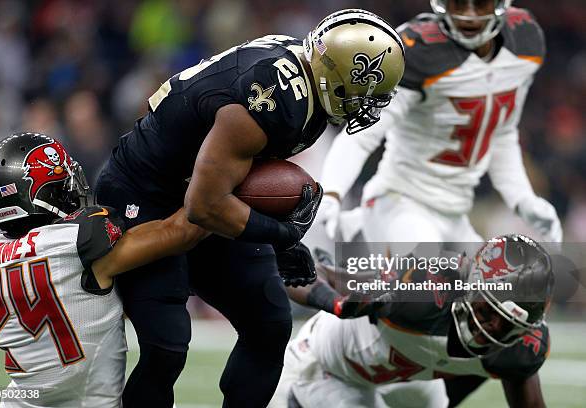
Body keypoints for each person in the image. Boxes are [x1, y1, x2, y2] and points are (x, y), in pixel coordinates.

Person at [95, 9, 406, 407]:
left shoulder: (306, 80)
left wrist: (284, 245)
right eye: (368, 93)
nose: (369, 107)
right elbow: (203, 207)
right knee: (166, 344)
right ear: (342, 76)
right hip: (148, 192)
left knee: (270, 323)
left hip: (207, 189)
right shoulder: (271, 98)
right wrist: (281, 234)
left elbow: (224, 189)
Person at [0, 132, 207, 407]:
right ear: (42, 194)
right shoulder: (75, 245)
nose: (71, 190)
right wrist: (222, 185)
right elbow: (181, 231)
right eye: (62, 185)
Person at [315, 1, 562, 249]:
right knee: (429, 280)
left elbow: (501, 133)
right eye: (458, 3)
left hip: (457, 214)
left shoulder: (524, 40)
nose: (469, 15)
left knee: (504, 285)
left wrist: (522, 198)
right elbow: (362, 134)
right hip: (401, 202)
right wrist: (332, 193)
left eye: (480, 3)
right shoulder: (417, 50)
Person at [272, 234, 554, 408]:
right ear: (470, 285)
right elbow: (314, 272)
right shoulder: (421, 287)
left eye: (508, 325)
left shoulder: (519, 349)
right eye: (488, 311)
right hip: (323, 367)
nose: (492, 329)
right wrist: (335, 302)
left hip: (405, 378)